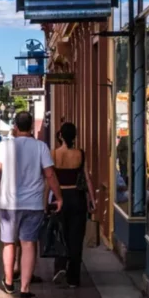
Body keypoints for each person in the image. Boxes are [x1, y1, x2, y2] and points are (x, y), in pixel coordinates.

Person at [0, 111, 63, 298]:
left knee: (8, 243)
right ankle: (24, 289)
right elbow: (50, 174)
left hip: (8, 205)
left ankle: (8, 282)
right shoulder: (41, 147)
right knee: (28, 243)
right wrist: (58, 197)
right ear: (31, 127)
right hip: (33, 205)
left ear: (15, 126)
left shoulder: (4, 146)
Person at [50, 122, 96, 288]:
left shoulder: (54, 154)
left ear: (60, 135)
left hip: (59, 197)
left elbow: (49, 179)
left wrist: (44, 203)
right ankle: (73, 278)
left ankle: (60, 266)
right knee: (76, 238)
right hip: (77, 197)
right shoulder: (80, 154)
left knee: (60, 234)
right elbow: (87, 178)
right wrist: (92, 199)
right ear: (75, 136)